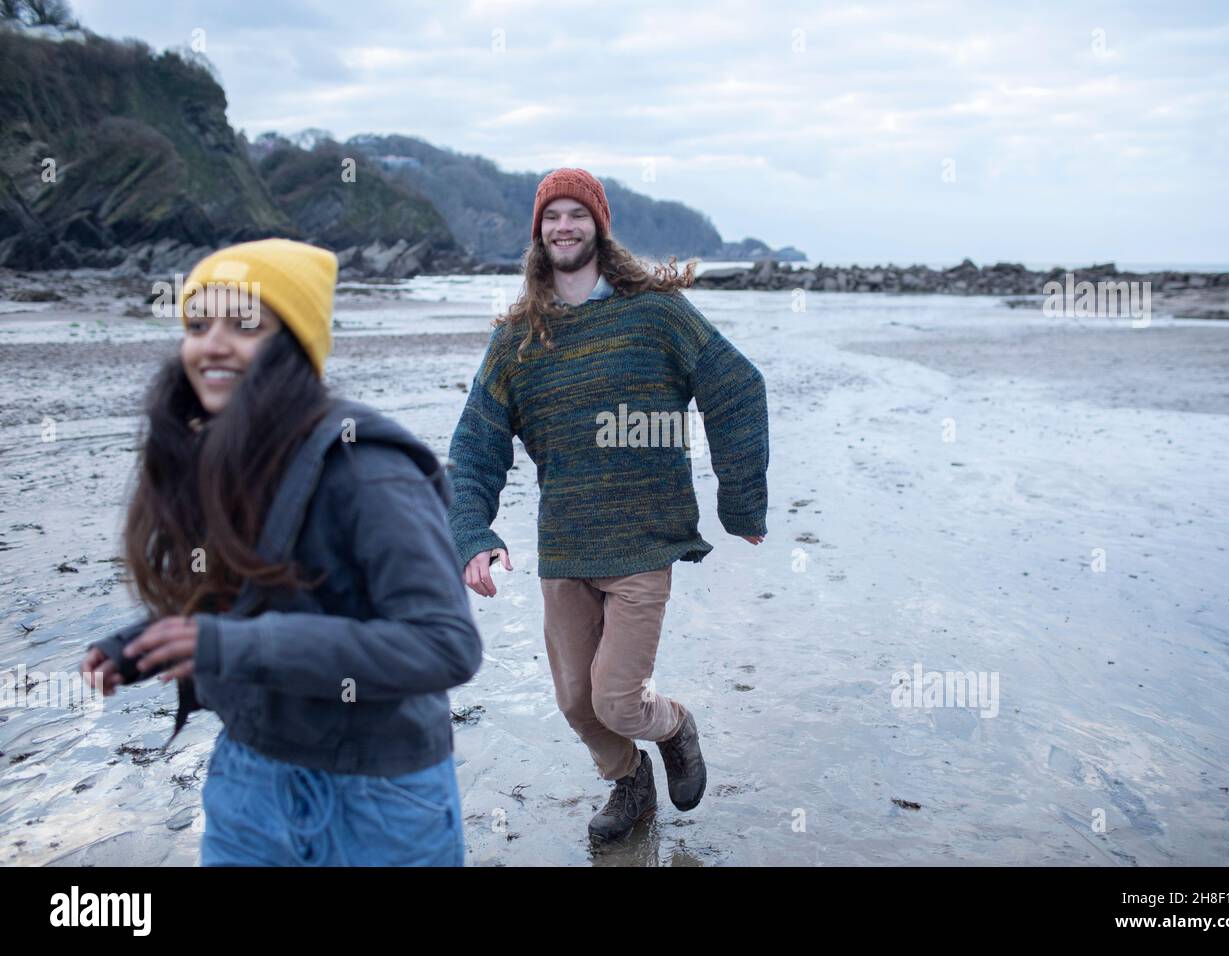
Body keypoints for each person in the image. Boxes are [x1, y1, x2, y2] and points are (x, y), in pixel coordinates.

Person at [80, 238, 482, 866]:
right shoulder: (223, 454)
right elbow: (251, 599)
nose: (212, 343)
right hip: (249, 778)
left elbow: (444, 645)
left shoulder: (369, 468)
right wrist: (143, 642)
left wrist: (226, 645)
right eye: (197, 323)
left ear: (294, 343)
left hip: (379, 794)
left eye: (245, 324)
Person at [447, 168, 769, 844]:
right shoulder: (517, 342)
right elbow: (475, 448)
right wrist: (472, 533)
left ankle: (675, 726)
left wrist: (740, 505)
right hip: (565, 547)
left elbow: (737, 388)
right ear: (539, 231)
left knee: (617, 698)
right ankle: (630, 784)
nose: (564, 226)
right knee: (575, 701)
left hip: (643, 542)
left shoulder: (655, 314)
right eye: (552, 215)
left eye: (576, 214)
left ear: (598, 225)